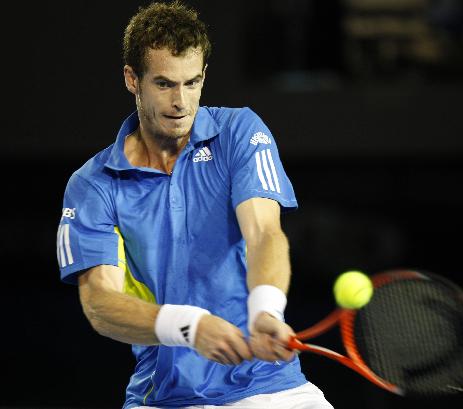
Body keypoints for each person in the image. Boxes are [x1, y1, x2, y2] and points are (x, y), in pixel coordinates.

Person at [57, 1, 333, 408]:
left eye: (193, 82)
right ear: (132, 79)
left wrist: (266, 310)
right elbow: (101, 304)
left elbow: (263, 233)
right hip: (166, 396)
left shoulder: (239, 132)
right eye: (165, 84)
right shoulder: (93, 185)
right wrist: (188, 326)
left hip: (271, 387)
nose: (182, 102)